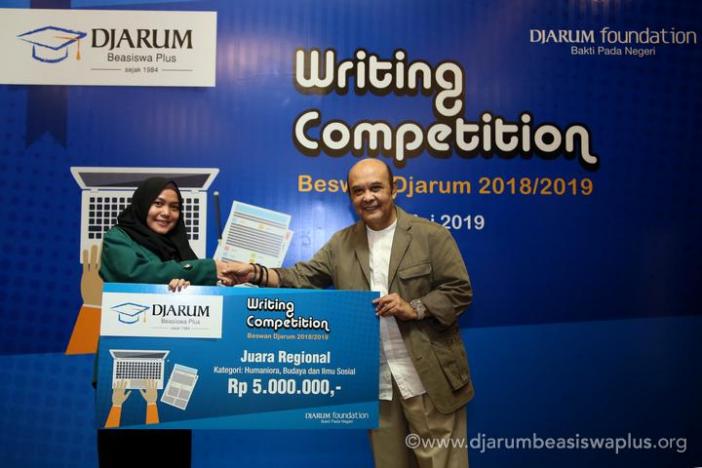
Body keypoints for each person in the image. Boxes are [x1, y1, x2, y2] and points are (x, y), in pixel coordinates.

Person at [224, 159, 474, 468]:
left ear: (394, 189)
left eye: (375, 188)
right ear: (350, 196)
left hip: (428, 377)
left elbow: (459, 290)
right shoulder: (341, 243)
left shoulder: (431, 235)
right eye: (358, 191)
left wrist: (415, 308)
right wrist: (254, 272)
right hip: (377, 381)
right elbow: (301, 277)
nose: (367, 197)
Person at [97, 177, 230, 468]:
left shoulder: (180, 249)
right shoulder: (118, 237)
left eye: (175, 207)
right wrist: (198, 271)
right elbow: (133, 276)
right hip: (125, 363)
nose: (166, 213)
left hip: (174, 368)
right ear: (142, 204)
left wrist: (199, 283)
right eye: (158, 203)